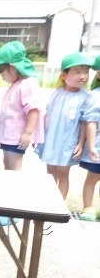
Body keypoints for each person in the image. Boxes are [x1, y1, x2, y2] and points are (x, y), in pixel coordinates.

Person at [35, 52, 94, 199]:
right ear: (63, 75)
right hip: (51, 141)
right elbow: (47, 114)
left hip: (68, 143)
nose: (83, 76)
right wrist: (38, 134)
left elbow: (85, 123)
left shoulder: (86, 98)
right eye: (77, 72)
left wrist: (81, 143)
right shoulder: (56, 93)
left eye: (86, 72)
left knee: (63, 173)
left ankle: (59, 205)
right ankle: (49, 201)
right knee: (50, 172)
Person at [0, 41, 45, 171]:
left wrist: (28, 133)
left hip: (17, 137)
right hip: (9, 136)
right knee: (7, 163)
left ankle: (14, 185)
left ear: (13, 68)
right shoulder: (17, 84)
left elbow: (33, 110)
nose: (3, 78)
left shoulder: (27, 84)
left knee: (14, 166)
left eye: (3, 75)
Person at [77, 55, 100, 220]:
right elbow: (90, 121)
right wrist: (91, 146)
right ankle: (87, 207)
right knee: (93, 177)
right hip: (98, 147)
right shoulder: (96, 96)